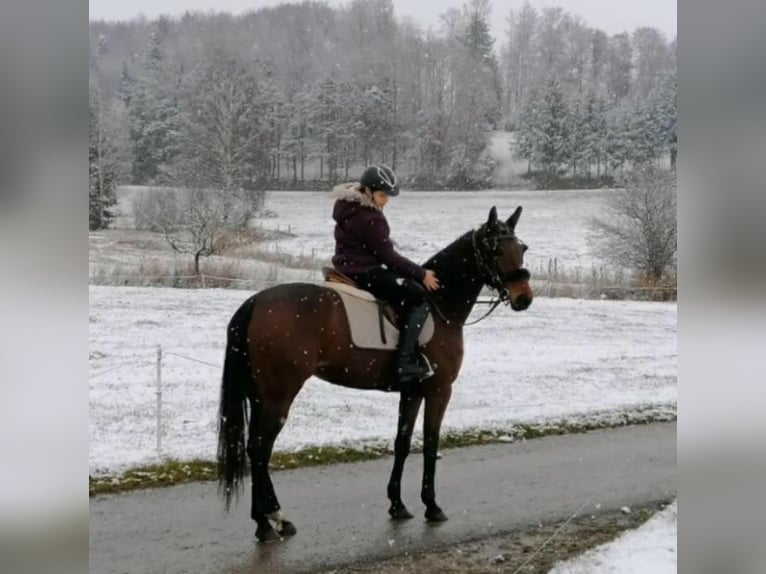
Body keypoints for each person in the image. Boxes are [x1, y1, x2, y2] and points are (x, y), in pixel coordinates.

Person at [330, 164, 440, 388]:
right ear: (368, 192)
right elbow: (389, 257)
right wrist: (421, 275)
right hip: (365, 272)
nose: (386, 201)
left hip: (346, 268)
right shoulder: (370, 218)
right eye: (382, 195)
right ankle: (404, 361)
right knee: (417, 298)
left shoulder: (347, 208)